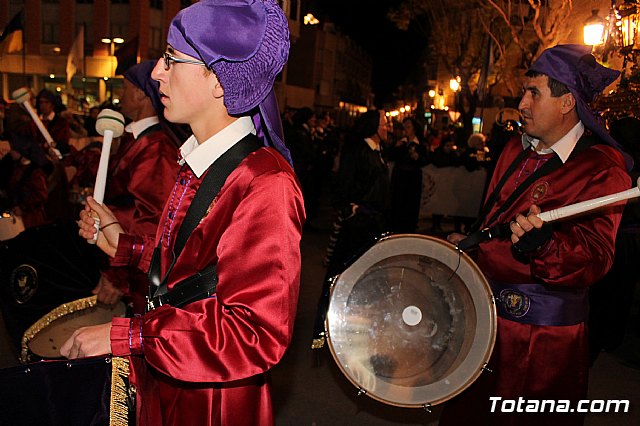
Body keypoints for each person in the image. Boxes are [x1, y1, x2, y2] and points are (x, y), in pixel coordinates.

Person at [61, 1, 305, 425]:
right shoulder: (201, 161)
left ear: (219, 78)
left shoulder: (266, 184)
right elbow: (196, 274)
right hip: (173, 375)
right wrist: (128, 245)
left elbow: (253, 335)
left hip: (211, 402)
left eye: (172, 59)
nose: (156, 73)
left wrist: (127, 335)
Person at [442, 44, 632, 425]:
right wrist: (470, 243)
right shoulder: (514, 149)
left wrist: (544, 246)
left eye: (534, 93)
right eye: (524, 92)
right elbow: (492, 222)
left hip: (544, 340)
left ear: (567, 103)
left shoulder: (601, 169)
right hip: (485, 321)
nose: (521, 103)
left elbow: (596, 259)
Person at [92, 60, 182, 313]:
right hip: (118, 255)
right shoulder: (138, 139)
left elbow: (153, 221)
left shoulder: (156, 149)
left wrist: (117, 275)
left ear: (142, 93)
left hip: (136, 275)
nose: (120, 95)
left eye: (124, 88)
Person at [312, 109, 391, 349]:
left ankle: (369, 331)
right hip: (358, 226)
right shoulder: (357, 150)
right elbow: (343, 184)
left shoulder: (378, 151)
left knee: (373, 278)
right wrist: (350, 206)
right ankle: (323, 334)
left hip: (374, 224)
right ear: (373, 126)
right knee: (341, 276)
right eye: (385, 123)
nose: (389, 128)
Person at [588, 116, 640, 365]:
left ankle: (599, 337)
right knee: (619, 293)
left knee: (605, 291)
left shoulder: (611, 164)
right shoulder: (615, 163)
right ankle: (609, 337)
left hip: (617, 237)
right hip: (624, 239)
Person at [389, 116, 429, 233]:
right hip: (400, 177)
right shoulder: (401, 143)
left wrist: (417, 157)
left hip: (412, 178)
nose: (406, 129)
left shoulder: (420, 144)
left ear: (414, 129)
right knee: (398, 202)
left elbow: (426, 159)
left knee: (410, 203)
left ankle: (409, 226)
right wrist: (395, 148)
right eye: (404, 127)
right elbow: (391, 156)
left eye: (408, 127)